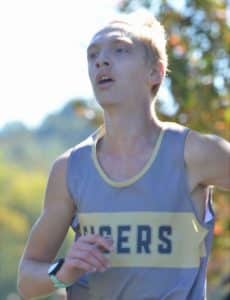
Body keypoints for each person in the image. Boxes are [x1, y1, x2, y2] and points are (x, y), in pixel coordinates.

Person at [17, 10, 230, 300]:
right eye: (92, 55)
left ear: (155, 71)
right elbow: (27, 280)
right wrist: (63, 272)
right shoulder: (69, 168)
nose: (100, 61)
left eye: (120, 49)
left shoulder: (195, 152)